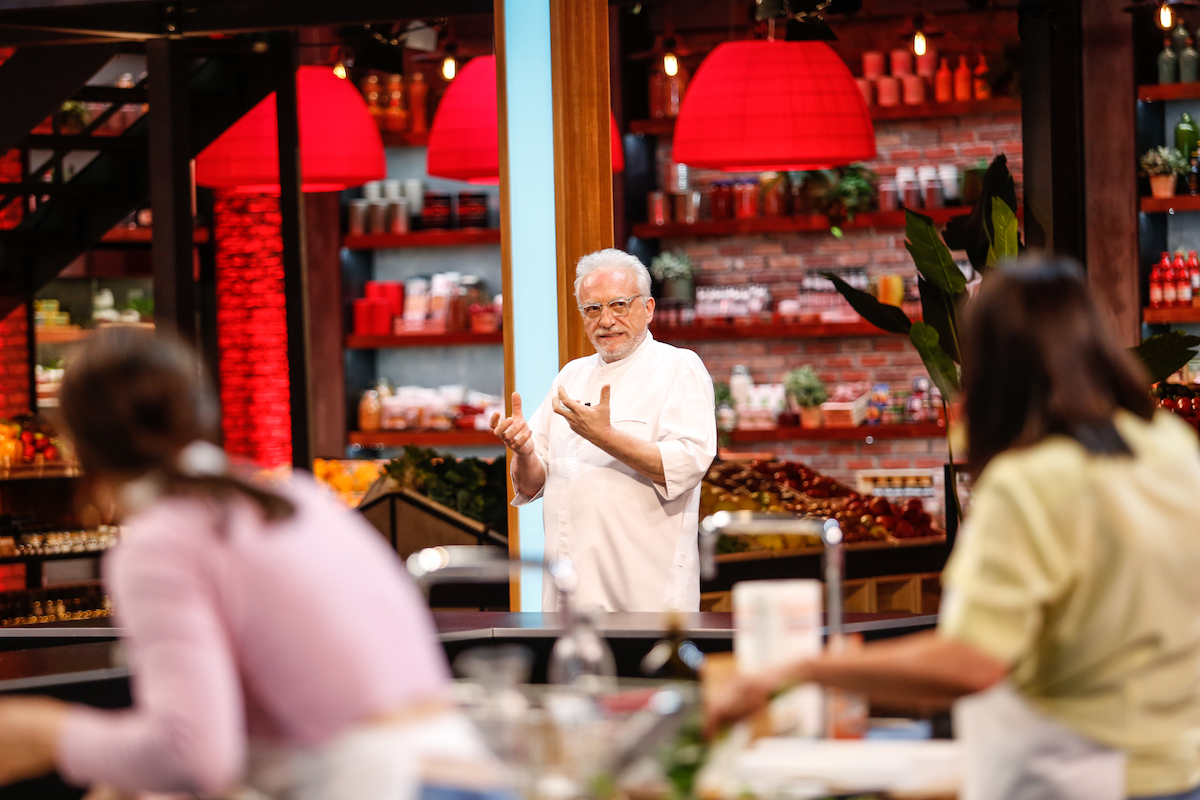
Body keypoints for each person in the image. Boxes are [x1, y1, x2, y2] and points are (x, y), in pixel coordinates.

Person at [705, 259, 1200, 800]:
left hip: (1074, 777)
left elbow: (971, 661)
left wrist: (798, 669)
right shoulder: (1168, 447)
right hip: (1176, 768)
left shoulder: (1032, 480)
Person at [0, 329, 494, 800]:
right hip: (470, 776)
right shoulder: (297, 496)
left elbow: (194, 755)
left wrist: (48, 734)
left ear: (77, 443)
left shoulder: (161, 541)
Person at [491, 248, 717, 612]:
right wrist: (524, 452)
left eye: (619, 305)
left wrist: (605, 436)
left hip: (645, 595)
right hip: (568, 596)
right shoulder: (570, 376)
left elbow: (687, 465)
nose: (606, 320)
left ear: (648, 308)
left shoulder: (679, 368)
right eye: (592, 309)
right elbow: (531, 485)